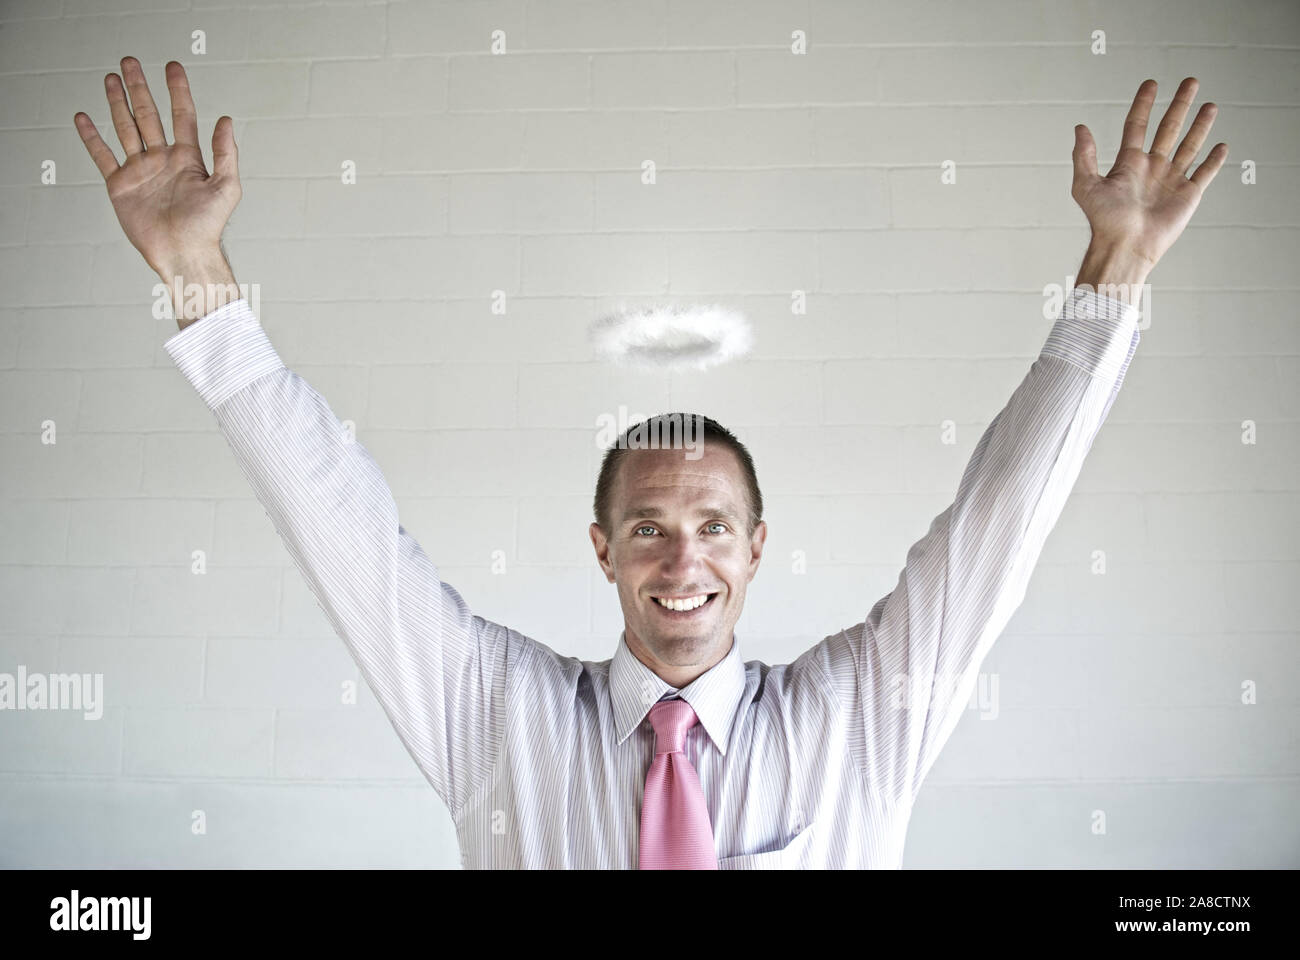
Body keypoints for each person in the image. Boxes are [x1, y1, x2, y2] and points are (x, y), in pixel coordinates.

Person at [75, 58, 1227, 868]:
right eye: (649, 528)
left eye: (715, 526)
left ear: (758, 547)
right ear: (603, 551)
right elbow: (342, 534)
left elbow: (999, 525)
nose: (685, 558)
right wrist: (200, 284)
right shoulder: (496, 720)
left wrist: (1112, 271)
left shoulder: (859, 717)